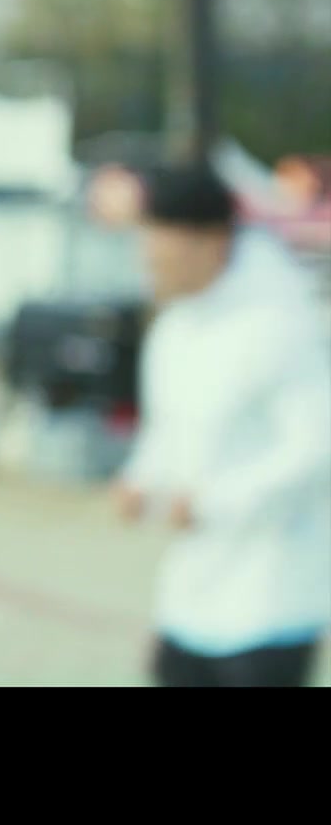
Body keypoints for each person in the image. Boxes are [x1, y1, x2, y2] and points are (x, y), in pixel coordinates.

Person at [112, 159, 331, 688]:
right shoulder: (175, 325)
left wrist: (215, 502)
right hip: (189, 597)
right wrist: (141, 478)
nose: (149, 262)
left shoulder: (281, 322)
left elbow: (317, 446)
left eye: (160, 250)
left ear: (211, 242)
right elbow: (167, 428)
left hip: (271, 601)